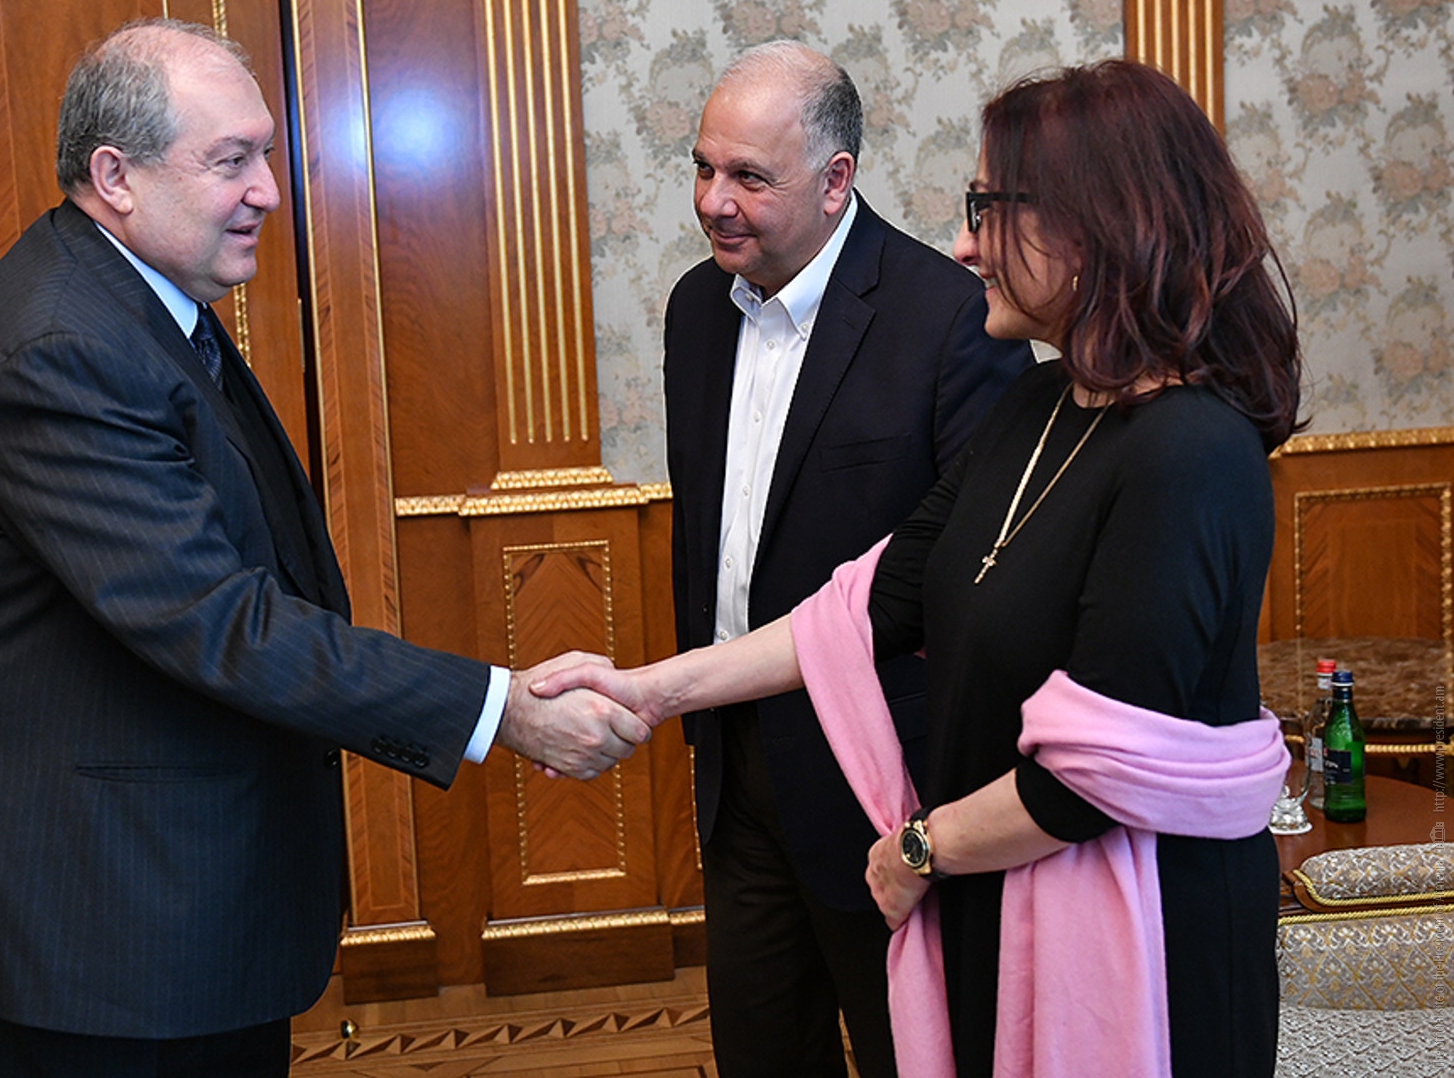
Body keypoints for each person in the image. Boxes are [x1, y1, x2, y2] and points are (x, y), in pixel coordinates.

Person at [0, 19, 648, 1078]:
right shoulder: (61, 347)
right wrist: (499, 709)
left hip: (155, 905)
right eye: (230, 161)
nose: (268, 192)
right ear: (115, 177)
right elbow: (219, 622)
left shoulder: (134, 304)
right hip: (90, 927)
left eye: (267, 156)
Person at [539, 59, 1302, 1077]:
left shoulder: (1193, 452)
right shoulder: (1038, 409)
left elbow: (1092, 776)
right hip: (1001, 888)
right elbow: (867, 604)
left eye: (988, 211)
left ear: (1093, 230)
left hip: (1142, 937)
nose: (964, 244)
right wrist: (649, 689)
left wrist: (917, 850)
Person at [664, 41, 1030, 1077]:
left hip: (890, 789)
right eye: (703, 169)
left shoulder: (952, 320)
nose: (715, 202)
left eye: (749, 177)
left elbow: (972, 577)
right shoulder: (695, 310)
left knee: (910, 1052)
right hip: (736, 775)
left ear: (836, 180)